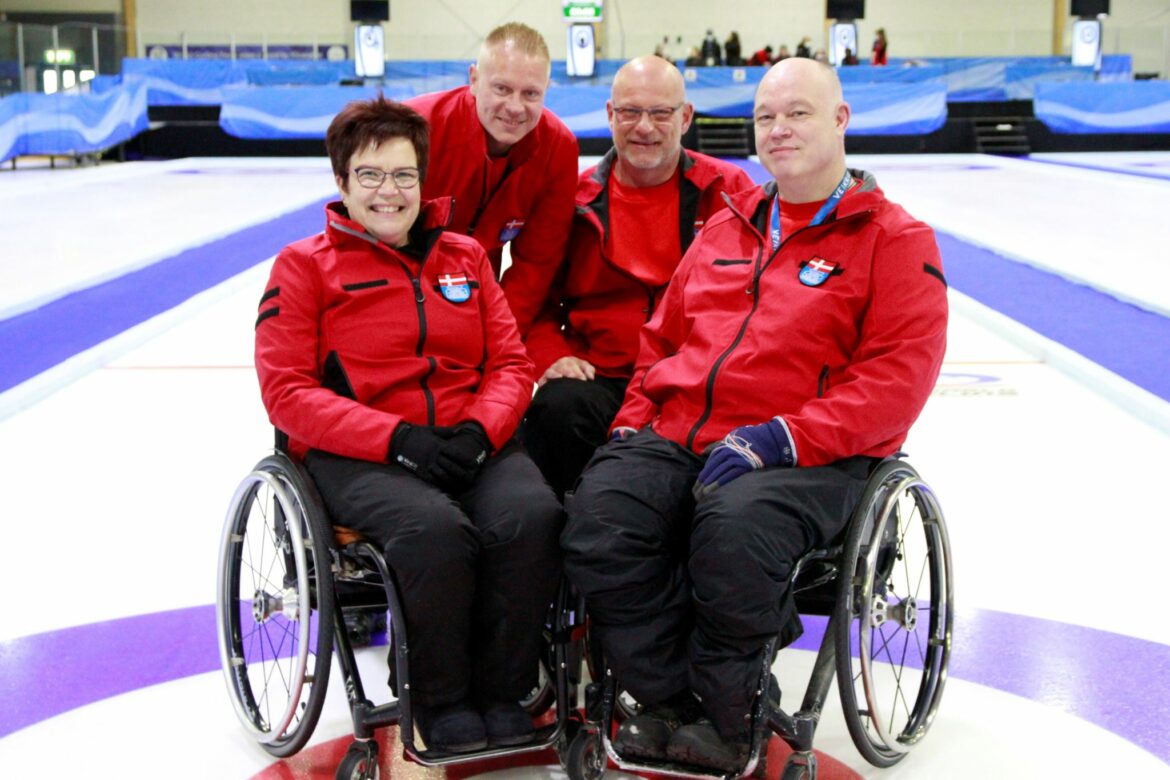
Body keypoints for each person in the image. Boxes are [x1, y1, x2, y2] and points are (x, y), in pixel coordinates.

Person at [561, 58, 948, 773]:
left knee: (734, 531)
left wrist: (784, 436)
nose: (779, 129)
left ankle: (727, 709)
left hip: (809, 456)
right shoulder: (726, 227)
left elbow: (897, 380)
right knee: (599, 522)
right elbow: (662, 341)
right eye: (766, 117)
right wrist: (634, 419)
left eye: (798, 113)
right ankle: (666, 695)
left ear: (840, 120)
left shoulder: (893, 241)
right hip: (682, 434)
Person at [254, 96, 562, 755]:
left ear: (424, 181)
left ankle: (501, 689)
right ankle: (441, 696)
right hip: (361, 454)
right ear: (341, 181)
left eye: (403, 175)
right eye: (370, 175)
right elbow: (287, 393)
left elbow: (510, 362)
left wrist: (481, 431)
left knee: (533, 513)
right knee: (434, 532)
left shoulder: (467, 258)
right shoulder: (304, 267)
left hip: (467, 442)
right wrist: (397, 440)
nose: (388, 192)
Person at [519, 55, 754, 500]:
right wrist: (551, 354)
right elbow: (537, 301)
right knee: (556, 409)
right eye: (629, 112)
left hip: (698, 379)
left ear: (685, 118)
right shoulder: (573, 201)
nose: (643, 127)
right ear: (609, 115)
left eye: (660, 113)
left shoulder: (729, 191)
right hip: (601, 376)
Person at [407, 22, 578, 335]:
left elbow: (537, 264)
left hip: (481, 301)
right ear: (473, 79)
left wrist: (498, 337)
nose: (514, 107)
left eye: (530, 93)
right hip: (401, 296)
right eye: (502, 88)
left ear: (546, 90)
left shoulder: (559, 148)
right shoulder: (414, 128)